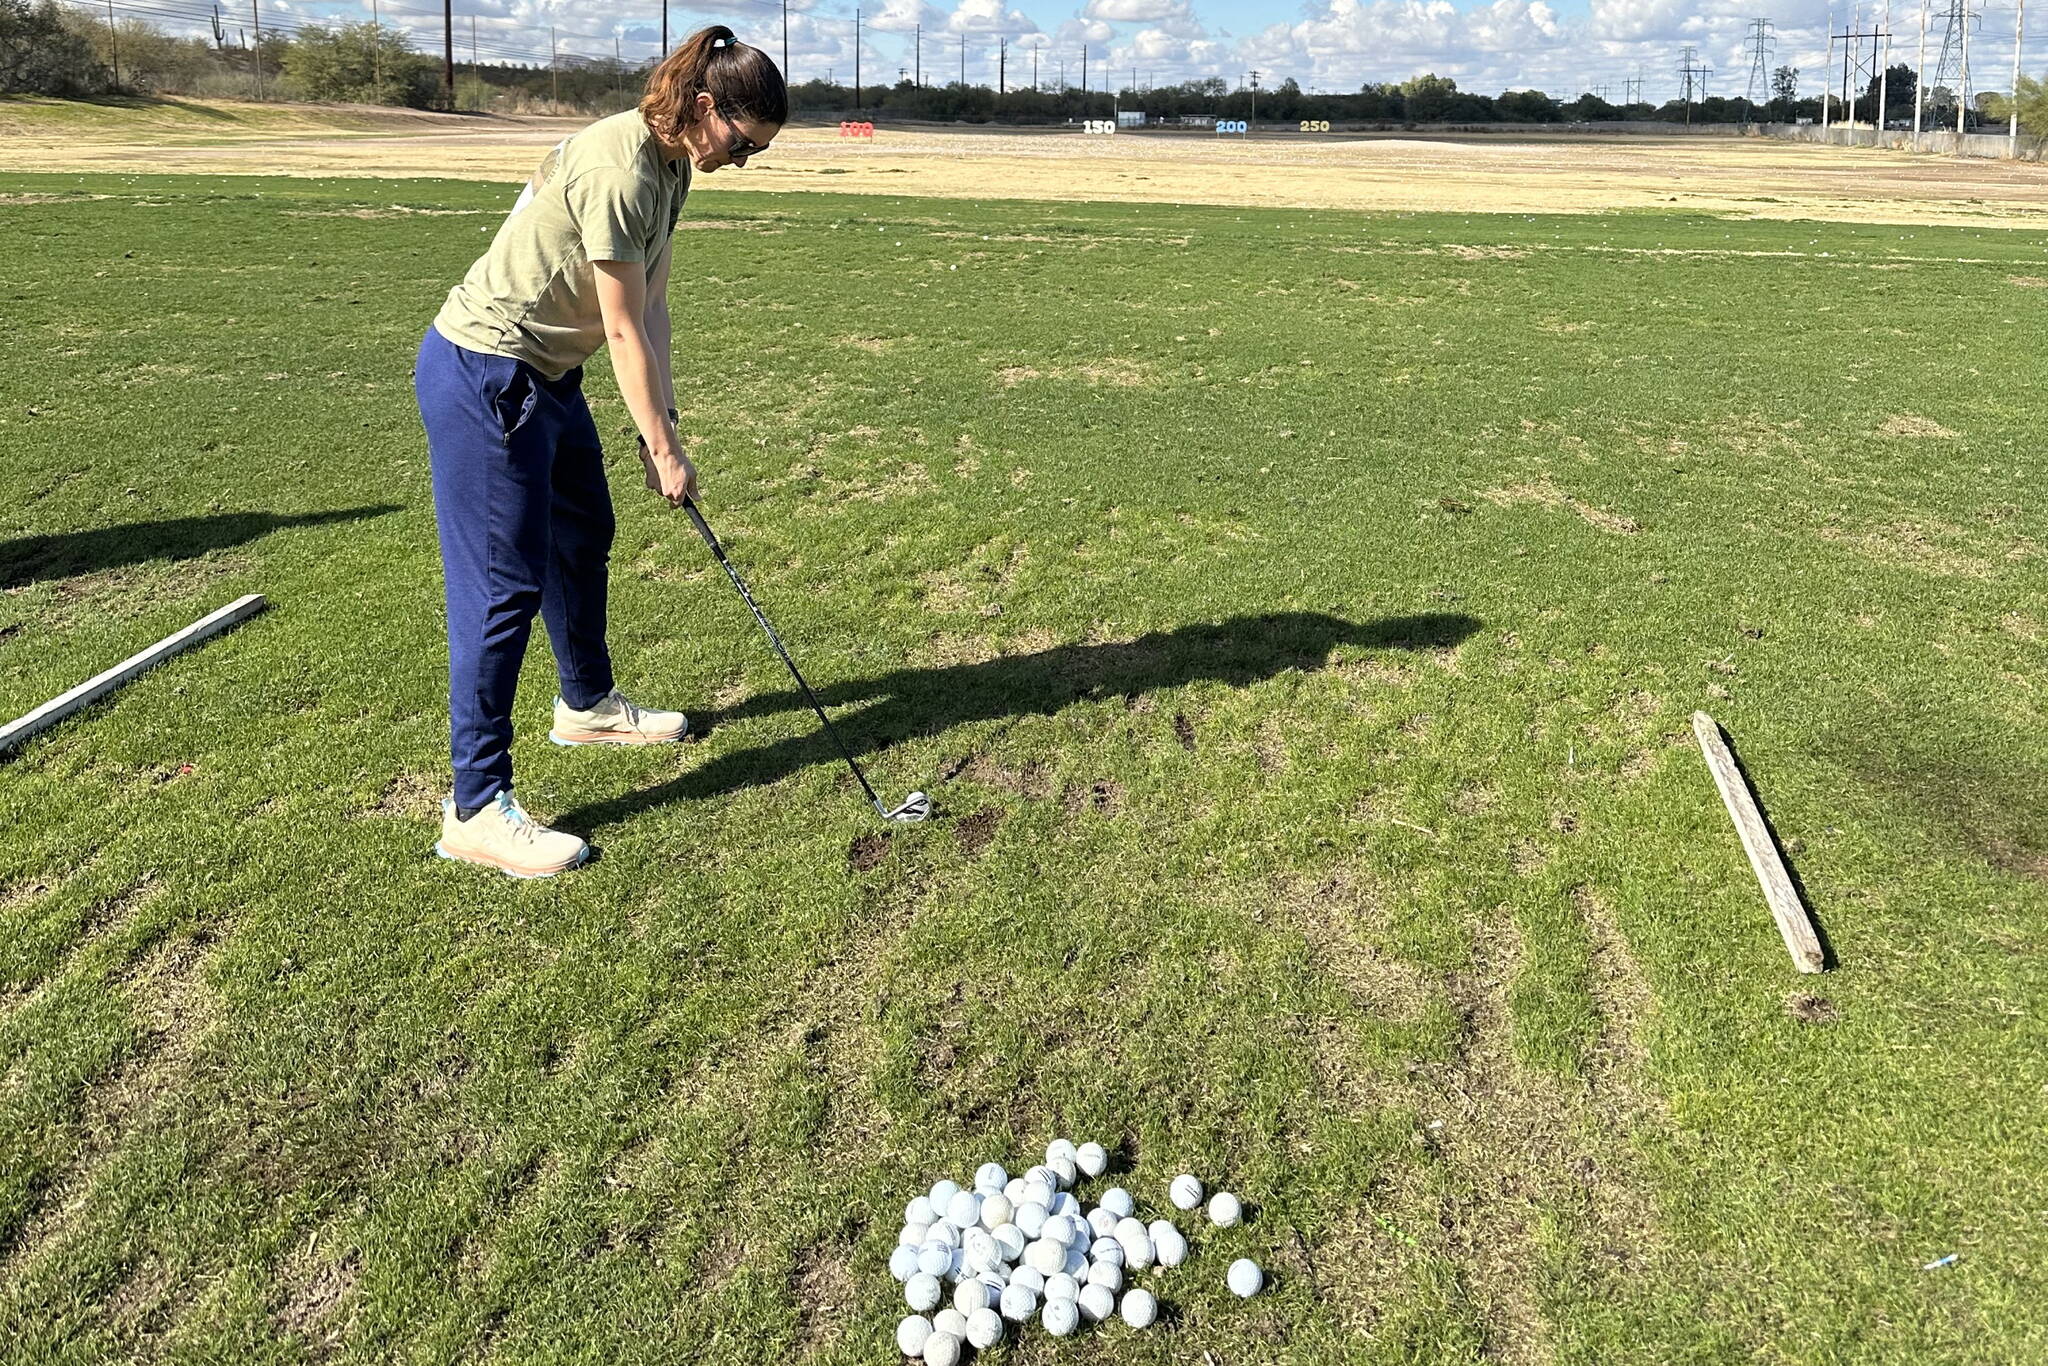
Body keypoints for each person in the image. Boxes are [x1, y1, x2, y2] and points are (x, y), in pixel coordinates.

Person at [413, 25, 785, 878]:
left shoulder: (672, 166)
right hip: (488, 372)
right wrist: (659, 446)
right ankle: (475, 805)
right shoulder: (621, 167)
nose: (741, 160)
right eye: (741, 142)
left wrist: (669, 426)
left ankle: (586, 705)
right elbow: (618, 324)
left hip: (548, 373)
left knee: (582, 535)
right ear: (703, 107)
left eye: (755, 151)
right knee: (502, 587)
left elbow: (651, 304)